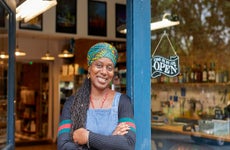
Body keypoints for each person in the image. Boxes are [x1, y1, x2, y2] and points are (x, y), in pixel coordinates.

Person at [57, 42, 136, 150]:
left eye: (109, 67)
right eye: (99, 65)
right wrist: (111, 140)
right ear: (89, 68)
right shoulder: (72, 103)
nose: (104, 72)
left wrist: (88, 137)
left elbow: (128, 144)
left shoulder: (123, 102)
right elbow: (63, 146)